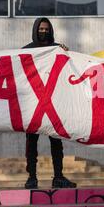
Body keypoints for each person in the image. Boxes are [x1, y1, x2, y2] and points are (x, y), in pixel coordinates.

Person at [22, 17, 76, 189]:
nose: (43, 31)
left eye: (46, 29)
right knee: (31, 143)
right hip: (33, 103)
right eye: (41, 28)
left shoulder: (57, 49)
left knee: (56, 142)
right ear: (35, 29)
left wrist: (65, 54)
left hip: (53, 102)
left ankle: (58, 176)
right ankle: (32, 177)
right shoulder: (25, 51)